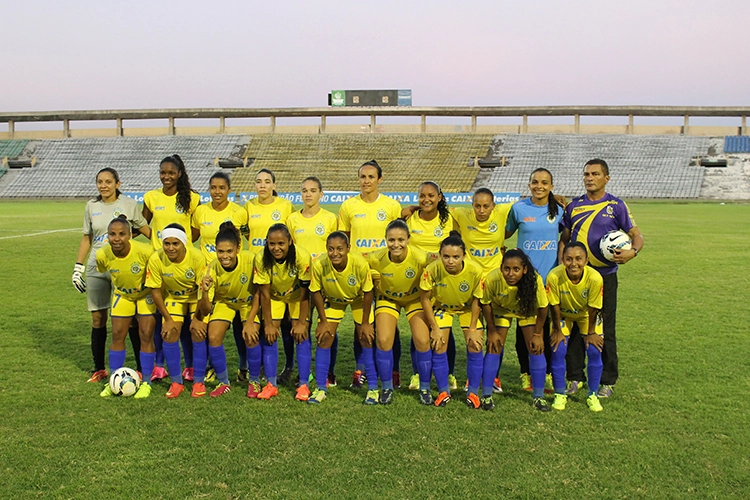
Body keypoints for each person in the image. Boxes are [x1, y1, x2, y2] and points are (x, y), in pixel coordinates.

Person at [561, 159, 644, 398]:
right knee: (576, 325)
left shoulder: (616, 205)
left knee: (605, 327)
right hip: (577, 277)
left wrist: (632, 252)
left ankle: (607, 380)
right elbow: (565, 239)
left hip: (605, 277)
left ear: (606, 178)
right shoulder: (574, 206)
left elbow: (636, 235)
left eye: (595, 174)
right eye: (586, 173)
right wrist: (562, 265)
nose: (589, 178)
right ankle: (575, 377)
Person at [74, 167, 150, 382]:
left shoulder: (128, 205)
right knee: (98, 317)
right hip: (97, 267)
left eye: (108, 182)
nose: (103, 186)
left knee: (132, 319)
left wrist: (163, 254)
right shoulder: (91, 206)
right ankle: (99, 368)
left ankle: (140, 368)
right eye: (100, 182)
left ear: (118, 184)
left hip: (125, 267)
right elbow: (87, 238)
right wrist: (78, 267)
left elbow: (145, 230)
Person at [337, 160, 403, 388]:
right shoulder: (348, 206)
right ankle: (361, 369)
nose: (366, 181)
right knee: (361, 324)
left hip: (385, 273)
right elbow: (343, 240)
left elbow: (398, 238)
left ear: (380, 179)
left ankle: (394, 371)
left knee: (388, 323)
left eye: (371, 177)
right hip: (358, 274)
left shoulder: (392, 206)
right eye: (362, 177)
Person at [142, 155, 201, 382]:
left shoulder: (192, 199)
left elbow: (195, 229)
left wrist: (182, 244)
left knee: (185, 321)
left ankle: (190, 365)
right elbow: (142, 224)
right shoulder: (151, 197)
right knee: (160, 317)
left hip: (181, 262)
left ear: (179, 174)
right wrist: (157, 242)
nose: (166, 176)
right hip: (158, 263)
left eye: (171, 173)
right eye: (162, 172)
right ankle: (159, 364)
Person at [505, 168, 564, 393]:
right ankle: (525, 373)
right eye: (535, 182)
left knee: (545, 325)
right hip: (524, 278)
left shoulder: (559, 211)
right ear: (529, 184)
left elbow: (565, 236)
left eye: (544, 182)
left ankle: (545, 372)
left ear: (551, 186)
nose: (539, 186)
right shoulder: (519, 209)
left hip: (549, 278)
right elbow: (506, 232)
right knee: (524, 327)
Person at [192, 172, 250, 382]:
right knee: (208, 322)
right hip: (209, 276)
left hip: (234, 274)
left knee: (239, 324)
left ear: (229, 190)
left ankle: (244, 367)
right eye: (213, 187)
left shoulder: (240, 213)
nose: (217, 192)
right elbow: (193, 237)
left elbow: (247, 237)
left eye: (222, 187)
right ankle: (211, 366)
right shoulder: (200, 212)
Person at [368, 220, 432, 405]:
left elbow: (440, 263)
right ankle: (387, 387)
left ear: (409, 240)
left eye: (401, 240)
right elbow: (355, 261)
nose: (396, 244)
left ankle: (425, 388)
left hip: (414, 299)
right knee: (384, 339)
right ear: (385, 240)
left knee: (422, 340)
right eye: (391, 240)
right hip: (388, 299)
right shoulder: (375, 258)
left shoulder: (421, 258)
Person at [404, 181, 459, 391]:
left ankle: (450, 373)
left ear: (439, 197)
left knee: (445, 327)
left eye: (431, 196)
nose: (426, 200)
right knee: (419, 327)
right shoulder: (410, 219)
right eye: (422, 196)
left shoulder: (449, 219)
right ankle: (418, 374)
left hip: (442, 282)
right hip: (417, 282)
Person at [308, 232, 374, 404]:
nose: (335, 253)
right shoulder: (319, 265)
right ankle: (321, 388)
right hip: (334, 300)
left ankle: (373, 389)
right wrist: (322, 321)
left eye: (339, 249)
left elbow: (368, 292)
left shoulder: (359, 264)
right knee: (324, 338)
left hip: (359, 300)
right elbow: (315, 291)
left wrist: (366, 323)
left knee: (366, 338)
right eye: (331, 249)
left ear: (348, 249)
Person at [481, 249, 550, 412]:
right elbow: (485, 303)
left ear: (524, 269)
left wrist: (538, 334)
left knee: (535, 349)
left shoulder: (534, 280)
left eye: (516, 269)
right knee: (494, 347)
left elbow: (543, 307)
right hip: (501, 310)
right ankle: (486, 396)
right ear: (501, 268)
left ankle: (539, 397)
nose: (510, 273)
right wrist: (491, 330)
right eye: (507, 269)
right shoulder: (492, 279)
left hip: (525, 311)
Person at [196, 222, 260, 398]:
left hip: (248, 303)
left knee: (251, 334)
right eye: (220, 251)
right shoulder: (211, 269)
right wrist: (205, 291)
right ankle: (224, 382)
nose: (225, 256)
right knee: (213, 336)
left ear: (238, 249)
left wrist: (249, 321)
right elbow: (206, 309)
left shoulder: (251, 259)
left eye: (229, 251)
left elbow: (259, 293)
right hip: (226, 303)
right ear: (215, 250)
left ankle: (254, 381)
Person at [420, 232, 483, 408]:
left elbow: (478, 300)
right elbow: (425, 299)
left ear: (464, 256)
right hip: (443, 308)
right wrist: (434, 327)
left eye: (456, 257)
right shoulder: (432, 270)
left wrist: (472, 328)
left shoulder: (475, 271)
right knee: (439, 344)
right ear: (440, 255)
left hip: (467, 309)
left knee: (475, 344)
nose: (450, 261)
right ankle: (443, 391)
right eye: (446, 256)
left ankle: (473, 393)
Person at [244, 168, 297, 384]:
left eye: (267, 181)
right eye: (258, 182)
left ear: (274, 185)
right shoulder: (248, 206)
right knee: (261, 317)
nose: (262, 185)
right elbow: (247, 233)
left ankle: (289, 365)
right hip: (258, 268)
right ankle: (258, 365)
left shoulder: (285, 206)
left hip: (282, 269)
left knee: (286, 322)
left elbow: (291, 236)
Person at [95, 215, 156, 398]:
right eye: (112, 234)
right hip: (123, 295)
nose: (117, 238)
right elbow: (104, 271)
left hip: (145, 296)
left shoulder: (146, 252)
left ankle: (146, 382)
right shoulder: (102, 255)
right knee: (117, 335)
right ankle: (114, 380)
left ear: (129, 235)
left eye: (122, 234)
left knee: (145, 335)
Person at [286, 176, 339, 386]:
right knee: (302, 326)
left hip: (325, 281)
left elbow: (336, 249)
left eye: (313, 190)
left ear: (321, 194)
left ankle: (329, 372)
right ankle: (305, 374)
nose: (308, 194)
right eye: (305, 190)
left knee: (327, 327)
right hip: (301, 282)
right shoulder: (292, 220)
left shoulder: (329, 219)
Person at [145, 223, 207, 399]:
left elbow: (203, 292)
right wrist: (168, 319)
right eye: (167, 243)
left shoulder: (197, 257)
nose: (170, 248)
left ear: (184, 243)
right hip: (173, 298)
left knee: (198, 332)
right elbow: (155, 291)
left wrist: (197, 318)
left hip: (196, 297)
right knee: (169, 333)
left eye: (175, 243)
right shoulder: (156, 259)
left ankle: (198, 382)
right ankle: (176, 382)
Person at [253, 223, 312, 401]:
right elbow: (264, 292)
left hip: (297, 298)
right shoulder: (261, 257)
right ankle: (271, 384)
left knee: (301, 334)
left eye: (281, 244)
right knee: (269, 334)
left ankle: (303, 385)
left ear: (290, 242)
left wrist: (302, 323)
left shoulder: (302, 256)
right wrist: (269, 324)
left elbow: (305, 293)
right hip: (274, 297)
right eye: (272, 244)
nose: (276, 248)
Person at [546, 242, 604, 412]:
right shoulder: (554, 276)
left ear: (586, 260)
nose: (574, 263)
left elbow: (594, 308)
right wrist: (557, 331)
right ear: (562, 260)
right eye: (569, 259)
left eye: (578, 259)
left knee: (594, 349)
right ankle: (560, 394)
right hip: (563, 315)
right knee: (558, 350)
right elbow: (554, 305)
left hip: (587, 316)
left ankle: (592, 395)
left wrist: (591, 333)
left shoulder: (595, 278)